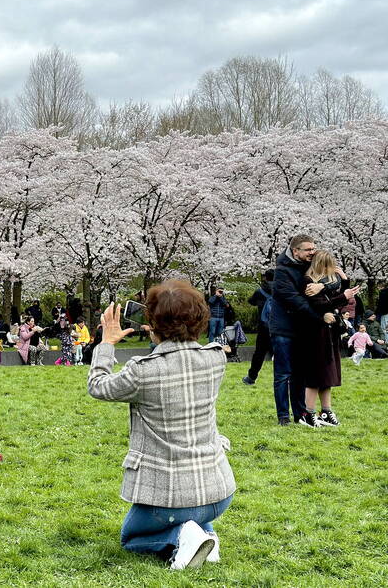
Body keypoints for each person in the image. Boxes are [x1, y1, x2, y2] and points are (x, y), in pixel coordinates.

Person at [88, 284, 235, 570]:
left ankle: (182, 537)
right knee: (193, 514)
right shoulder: (216, 358)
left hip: (167, 498)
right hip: (218, 492)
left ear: (153, 324)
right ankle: (207, 535)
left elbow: (98, 386)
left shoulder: (143, 370)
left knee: (130, 538)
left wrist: (106, 343)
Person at [296, 251, 359, 427]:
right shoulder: (308, 282)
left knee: (328, 374)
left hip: (329, 332)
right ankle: (308, 413)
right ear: (322, 265)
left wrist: (345, 283)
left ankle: (326, 411)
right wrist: (343, 296)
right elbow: (319, 305)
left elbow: (335, 301)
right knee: (316, 373)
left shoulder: (323, 284)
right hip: (315, 333)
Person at [268, 235, 324, 426]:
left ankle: (300, 414)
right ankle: (283, 416)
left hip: (302, 329)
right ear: (295, 251)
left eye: (313, 248)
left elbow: (334, 279)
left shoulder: (311, 267)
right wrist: (318, 317)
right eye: (308, 249)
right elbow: (294, 299)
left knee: (300, 373)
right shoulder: (282, 271)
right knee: (283, 374)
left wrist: (322, 285)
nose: (312, 252)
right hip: (283, 328)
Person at [242, 270, 275, 386]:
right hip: (278, 327)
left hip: (263, 327)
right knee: (280, 353)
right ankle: (285, 379)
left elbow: (251, 301)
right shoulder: (281, 289)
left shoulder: (260, 291)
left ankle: (251, 377)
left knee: (259, 353)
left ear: (266, 278)